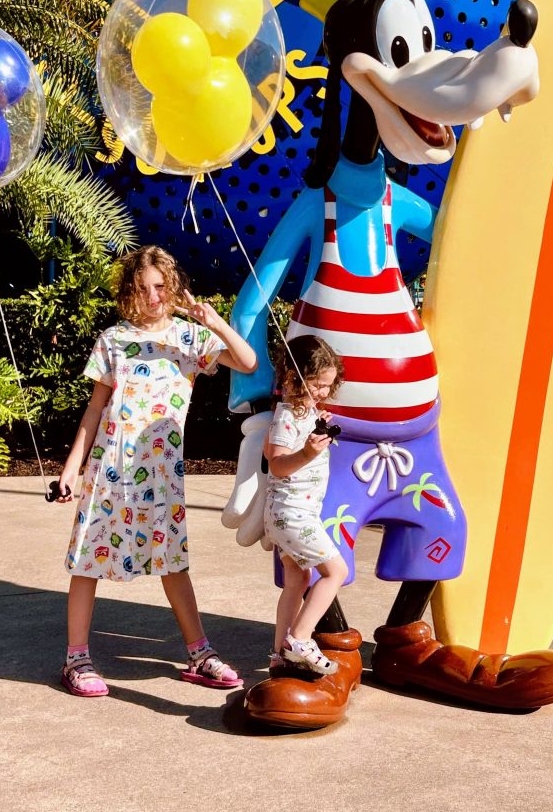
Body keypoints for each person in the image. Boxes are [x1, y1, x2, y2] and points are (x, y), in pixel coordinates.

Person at [55, 245, 257, 697]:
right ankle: (76, 658)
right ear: (131, 291)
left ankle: (200, 653)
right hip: (110, 467)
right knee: (89, 559)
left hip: (161, 473)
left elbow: (247, 362)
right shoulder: (113, 339)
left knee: (173, 562)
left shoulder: (190, 338)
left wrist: (213, 320)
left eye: (161, 287)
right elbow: (94, 409)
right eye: (143, 288)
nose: (153, 296)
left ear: (174, 287)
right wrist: (72, 467)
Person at [264, 335, 348, 675]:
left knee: (297, 580)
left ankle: (279, 653)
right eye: (315, 385)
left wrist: (314, 419)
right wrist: (307, 452)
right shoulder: (286, 416)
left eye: (328, 386)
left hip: (290, 514)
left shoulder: (302, 412)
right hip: (292, 514)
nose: (322, 392)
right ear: (293, 378)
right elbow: (278, 464)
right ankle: (299, 638)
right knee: (335, 572)